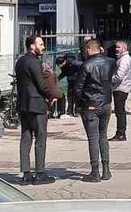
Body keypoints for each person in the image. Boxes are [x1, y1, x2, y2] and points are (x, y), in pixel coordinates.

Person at [15, 35, 59, 185]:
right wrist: (52, 95)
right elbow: (41, 84)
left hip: (23, 103)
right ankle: (40, 173)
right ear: (32, 46)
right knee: (40, 138)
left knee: (26, 137)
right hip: (36, 104)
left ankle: (26, 173)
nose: (43, 47)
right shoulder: (34, 62)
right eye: (40, 44)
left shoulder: (20, 61)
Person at [78, 39, 115, 182]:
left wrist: (79, 104)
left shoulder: (86, 65)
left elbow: (78, 88)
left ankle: (95, 171)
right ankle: (106, 169)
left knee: (93, 137)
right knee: (103, 135)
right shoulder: (111, 62)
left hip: (91, 104)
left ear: (88, 49)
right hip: (106, 102)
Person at [109, 41, 131, 142]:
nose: (116, 49)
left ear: (124, 48)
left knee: (120, 112)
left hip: (121, 88)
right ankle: (120, 133)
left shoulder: (124, 59)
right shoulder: (122, 58)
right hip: (121, 87)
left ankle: (121, 133)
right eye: (116, 47)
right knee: (119, 111)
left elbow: (119, 76)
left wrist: (109, 79)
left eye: (119, 47)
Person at [56, 53, 83, 117]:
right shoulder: (64, 66)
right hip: (70, 81)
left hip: (77, 80)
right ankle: (70, 111)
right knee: (70, 96)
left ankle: (77, 111)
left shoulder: (73, 62)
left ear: (64, 62)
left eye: (60, 64)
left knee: (76, 95)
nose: (59, 66)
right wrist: (58, 78)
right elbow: (64, 73)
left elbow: (82, 65)